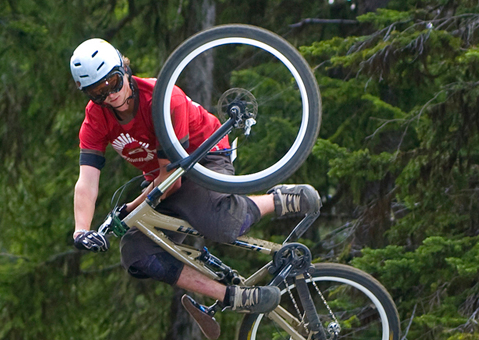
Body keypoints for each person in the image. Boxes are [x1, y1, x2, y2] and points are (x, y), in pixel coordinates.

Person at [70, 38, 320, 315]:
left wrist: (127, 209)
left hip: (205, 158)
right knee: (137, 253)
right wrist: (81, 229)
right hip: (162, 178)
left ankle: (279, 199)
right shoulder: (95, 119)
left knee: (222, 224)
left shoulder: (162, 100)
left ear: (125, 69)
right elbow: (87, 180)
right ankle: (232, 296)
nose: (110, 95)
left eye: (114, 82)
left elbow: (172, 178)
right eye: (98, 93)